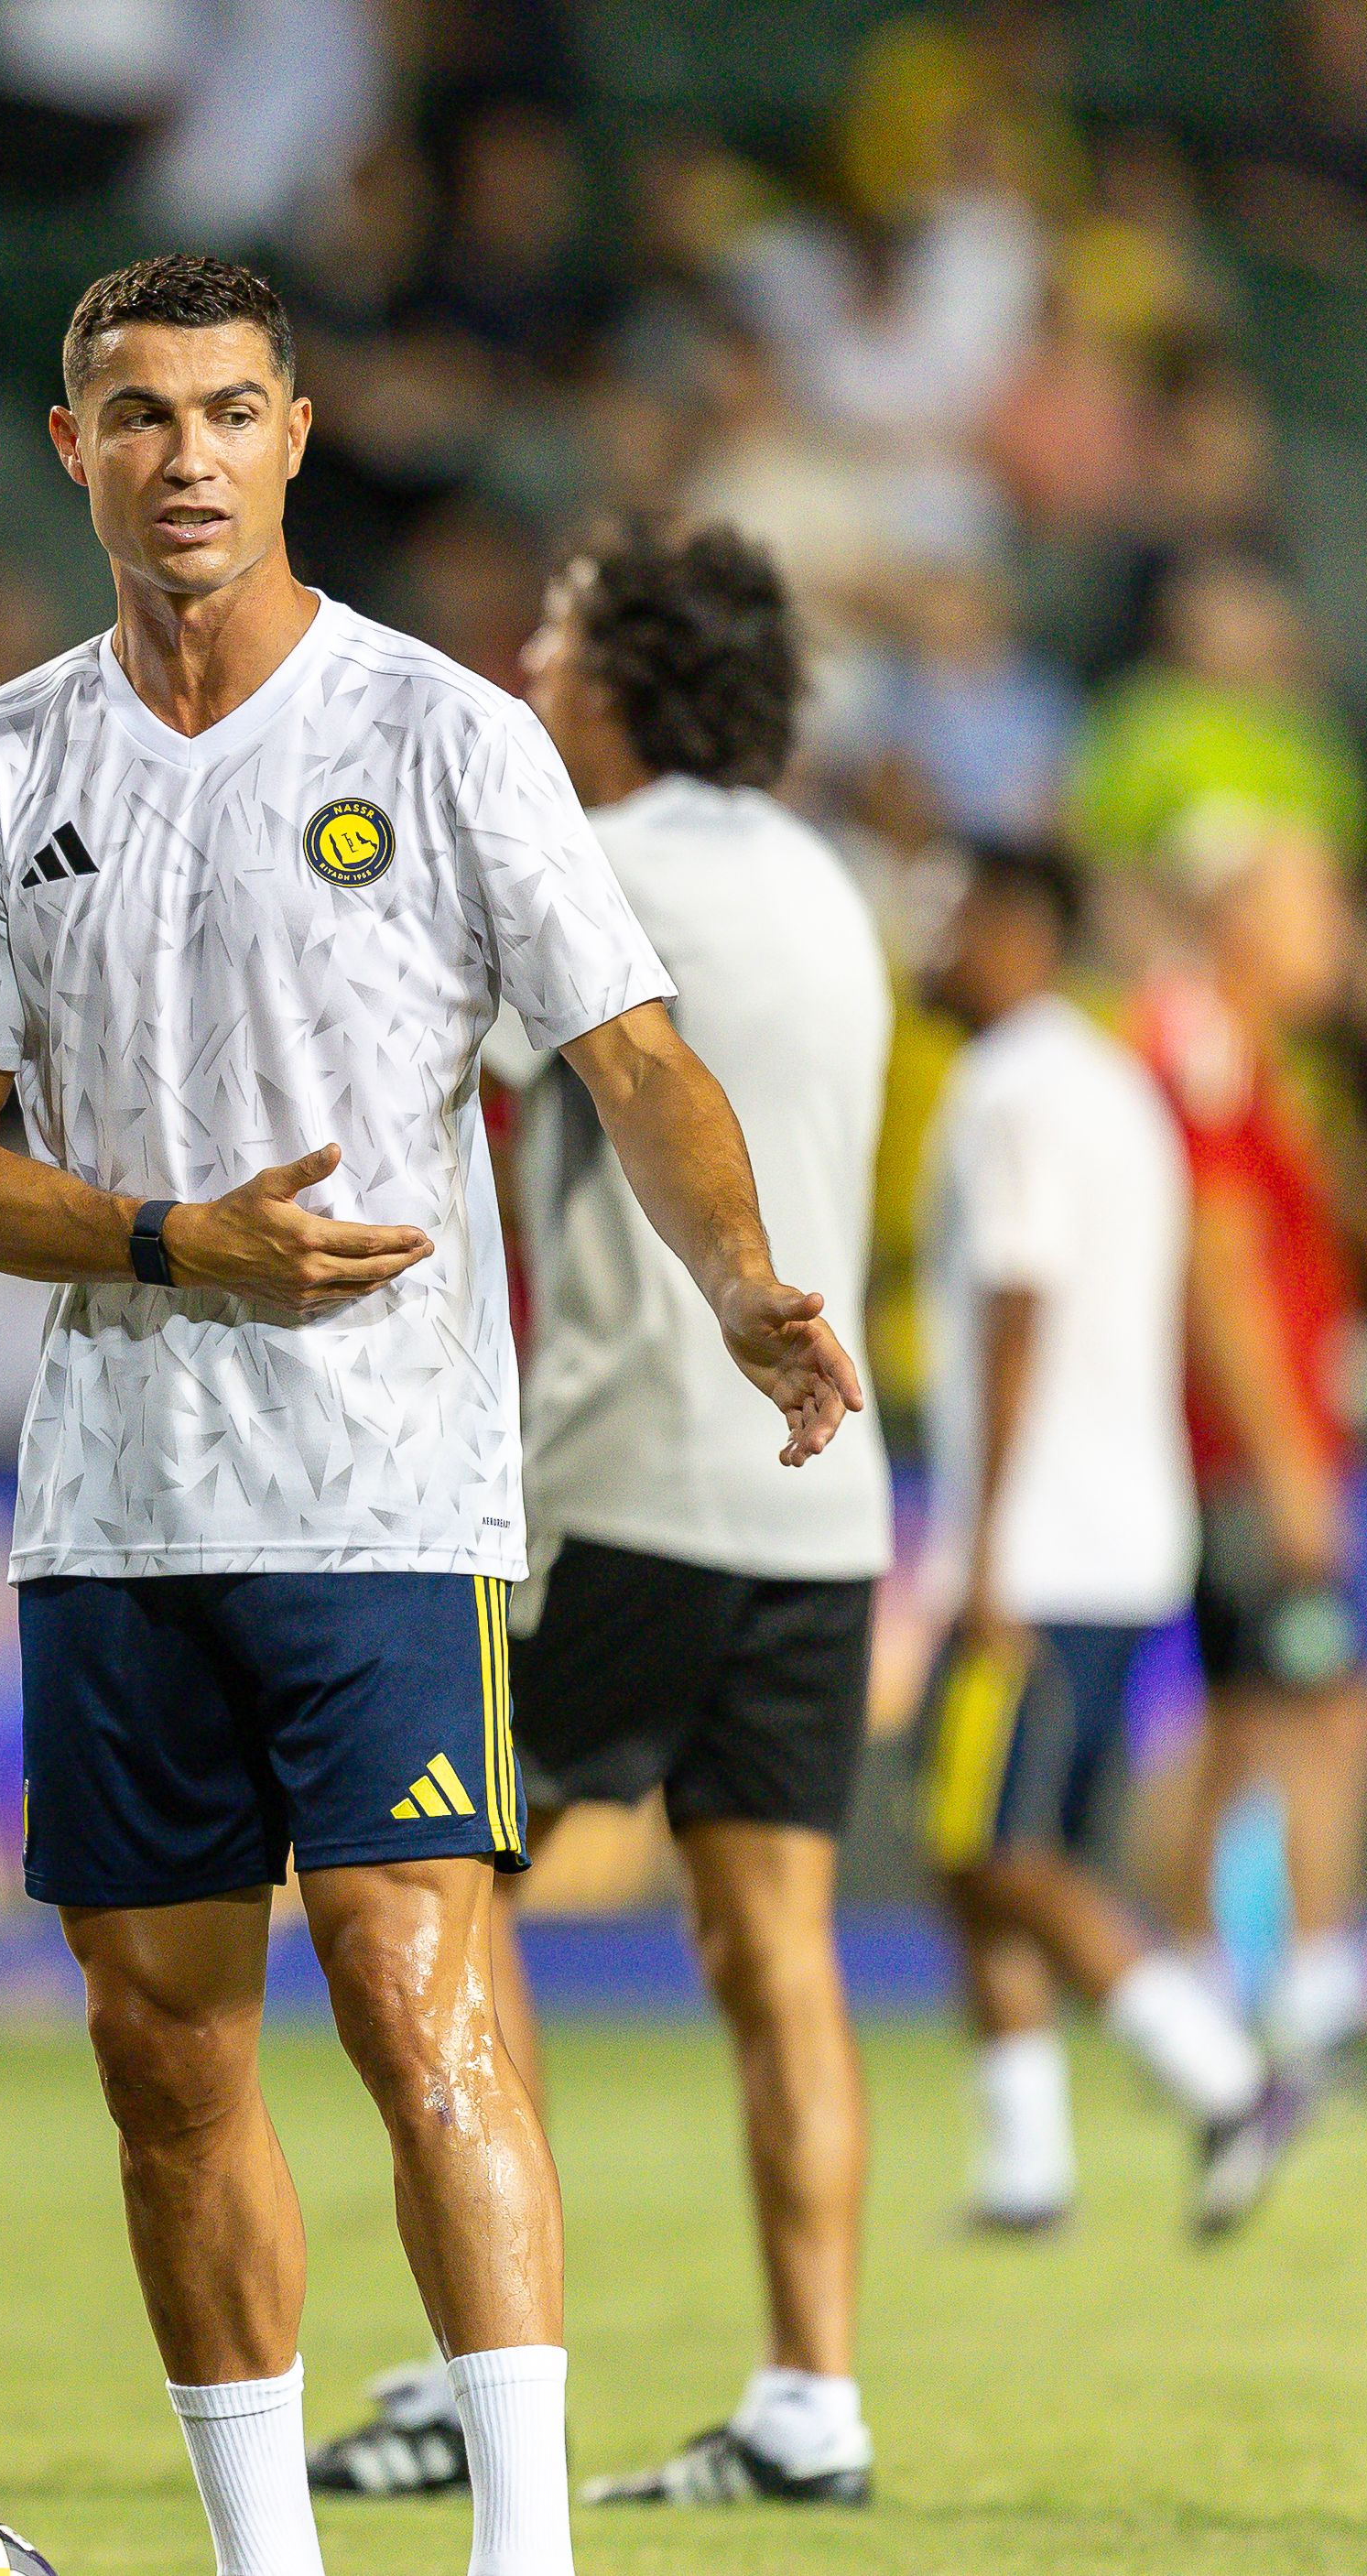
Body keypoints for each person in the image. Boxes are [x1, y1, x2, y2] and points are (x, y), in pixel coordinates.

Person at [0, 256, 863, 2576]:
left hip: (384, 1496)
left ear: (298, 436)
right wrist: (163, 1240)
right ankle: (265, 2556)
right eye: (137, 415)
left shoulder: (441, 737)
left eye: (228, 411)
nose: (185, 455)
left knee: (425, 2000)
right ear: (70, 448)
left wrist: (738, 1283)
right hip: (113, 1512)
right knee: (165, 2056)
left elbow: (630, 1050)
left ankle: (522, 2552)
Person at [305, 524, 895, 2509]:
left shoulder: (594, 866)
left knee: (451, 1900)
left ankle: (492, 2378)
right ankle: (812, 2396)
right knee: (778, 1946)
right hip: (825, 1494)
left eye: (554, 638)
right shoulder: (832, 882)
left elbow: (407, 1067)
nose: (526, 668)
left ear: (625, 677)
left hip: (628, 1469)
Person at [915, 841, 1308, 2240]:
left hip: (1044, 1542)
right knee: (992, 1847)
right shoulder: (1116, 1084)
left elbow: (1016, 1307)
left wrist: (983, 1547)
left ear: (1019, 928)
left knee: (994, 1843)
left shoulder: (1008, 1084)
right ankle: (1028, 2165)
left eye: (954, 911)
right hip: (1125, 1528)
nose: (935, 940)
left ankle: (1222, 2076)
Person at [1138, 809, 1367, 2089]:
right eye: (1314, 906)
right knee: (1322, 1712)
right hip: (1237, 1451)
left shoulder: (1230, 1045)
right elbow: (1220, 1264)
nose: (1335, 937)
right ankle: (1307, 1996)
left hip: (1227, 1445)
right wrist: (1288, 1459)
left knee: (1250, 1720)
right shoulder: (1211, 1047)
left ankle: (1196, 1994)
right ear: (1239, 915)